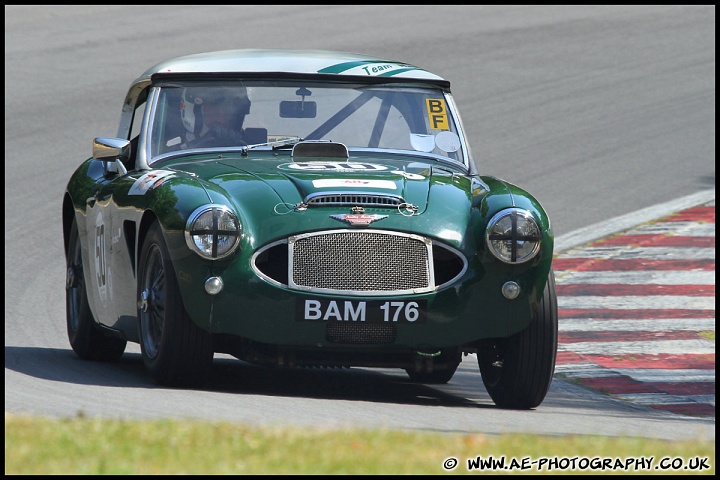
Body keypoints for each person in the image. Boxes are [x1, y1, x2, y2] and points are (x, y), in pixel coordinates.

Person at [180, 86, 251, 148]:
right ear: (191, 113)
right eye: (214, 113)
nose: (222, 120)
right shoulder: (173, 156)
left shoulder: (256, 149)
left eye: (229, 113)